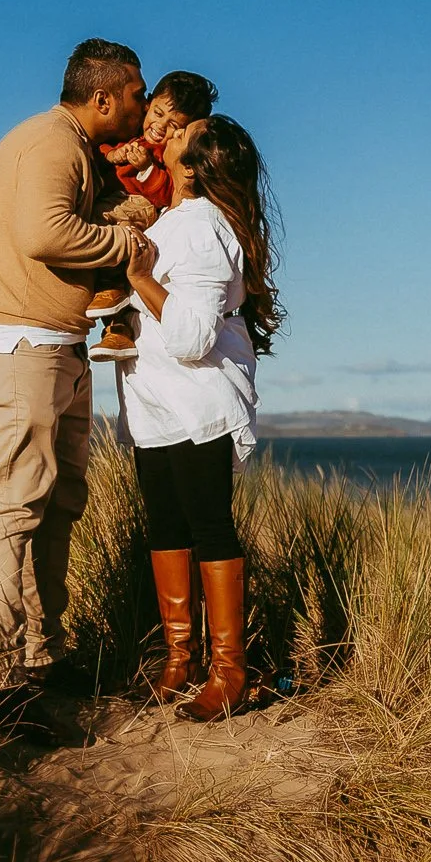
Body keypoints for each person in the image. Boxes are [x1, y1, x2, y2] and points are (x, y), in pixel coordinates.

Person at [0, 38, 147, 718]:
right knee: (13, 505)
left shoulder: (76, 149)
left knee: (59, 501)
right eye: (135, 93)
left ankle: (44, 652)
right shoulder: (50, 143)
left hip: (55, 344)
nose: (142, 105)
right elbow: (44, 232)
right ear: (102, 97)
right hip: (18, 345)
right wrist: (127, 243)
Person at [118, 113, 282, 721]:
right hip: (155, 405)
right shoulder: (170, 222)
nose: (169, 130)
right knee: (165, 526)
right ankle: (179, 659)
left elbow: (190, 338)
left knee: (209, 526)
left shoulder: (205, 230)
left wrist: (137, 275)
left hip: (198, 404)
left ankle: (229, 670)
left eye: (185, 132)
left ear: (194, 166)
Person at [86, 70, 219, 361]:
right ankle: (116, 330)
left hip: (141, 208)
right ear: (148, 104)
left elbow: (165, 194)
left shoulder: (167, 155)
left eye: (174, 126)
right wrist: (112, 157)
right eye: (157, 113)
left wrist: (146, 169)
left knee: (103, 226)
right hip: (117, 203)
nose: (160, 127)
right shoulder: (128, 135)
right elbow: (100, 152)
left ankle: (111, 290)